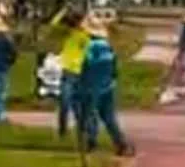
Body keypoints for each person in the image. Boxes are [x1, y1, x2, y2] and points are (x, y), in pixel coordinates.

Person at [76, 18, 135, 156]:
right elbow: (114, 69)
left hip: (91, 85)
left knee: (91, 114)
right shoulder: (107, 47)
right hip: (107, 85)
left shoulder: (88, 46)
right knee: (109, 117)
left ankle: (91, 143)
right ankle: (120, 143)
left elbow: (83, 65)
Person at [56, 10, 93, 139]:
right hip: (68, 71)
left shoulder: (86, 37)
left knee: (77, 103)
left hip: (80, 72)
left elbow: (88, 52)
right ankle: (63, 129)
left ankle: (82, 128)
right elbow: (54, 25)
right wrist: (63, 11)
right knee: (65, 102)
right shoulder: (67, 33)